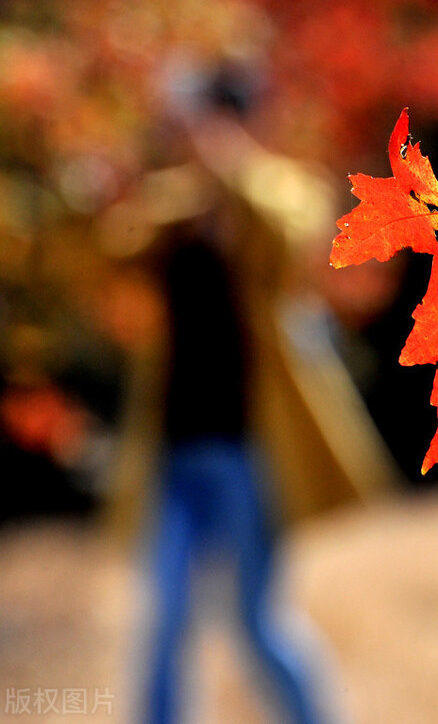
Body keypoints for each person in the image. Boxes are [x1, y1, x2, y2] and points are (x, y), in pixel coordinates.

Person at [102, 65, 397, 723]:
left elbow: (289, 240)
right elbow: (117, 245)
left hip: (254, 447)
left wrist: (228, 170)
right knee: (167, 617)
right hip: (175, 447)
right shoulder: (172, 202)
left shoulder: (282, 189)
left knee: (256, 620)